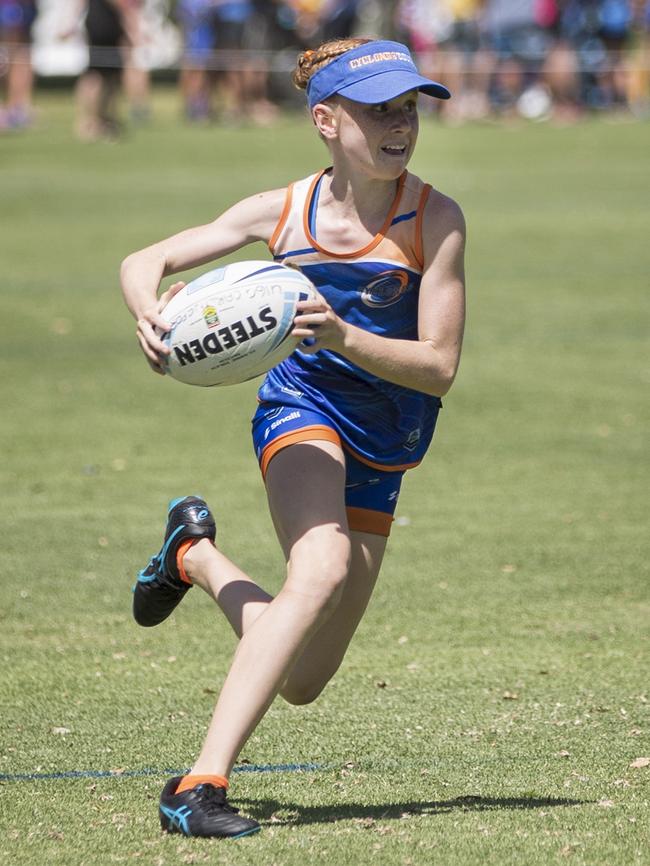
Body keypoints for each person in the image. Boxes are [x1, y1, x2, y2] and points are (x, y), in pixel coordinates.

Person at [120, 36, 466, 839]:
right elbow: (150, 257)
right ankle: (197, 786)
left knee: (305, 676)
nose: (399, 125)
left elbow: (440, 366)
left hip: (387, 439)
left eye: (408, 109)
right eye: (377, 110)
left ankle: (192, 556)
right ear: (324, 120)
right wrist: (149, 310)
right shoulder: (284, 212)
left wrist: (341, 333)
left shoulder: (436, 219)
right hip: (301, 409)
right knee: (322, 563)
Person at [0, 0, 36, 130]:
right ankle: (9, 109)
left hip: (23, 7)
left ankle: (17, 108)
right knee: (10, 53)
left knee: (21, 54)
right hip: (9, 6)